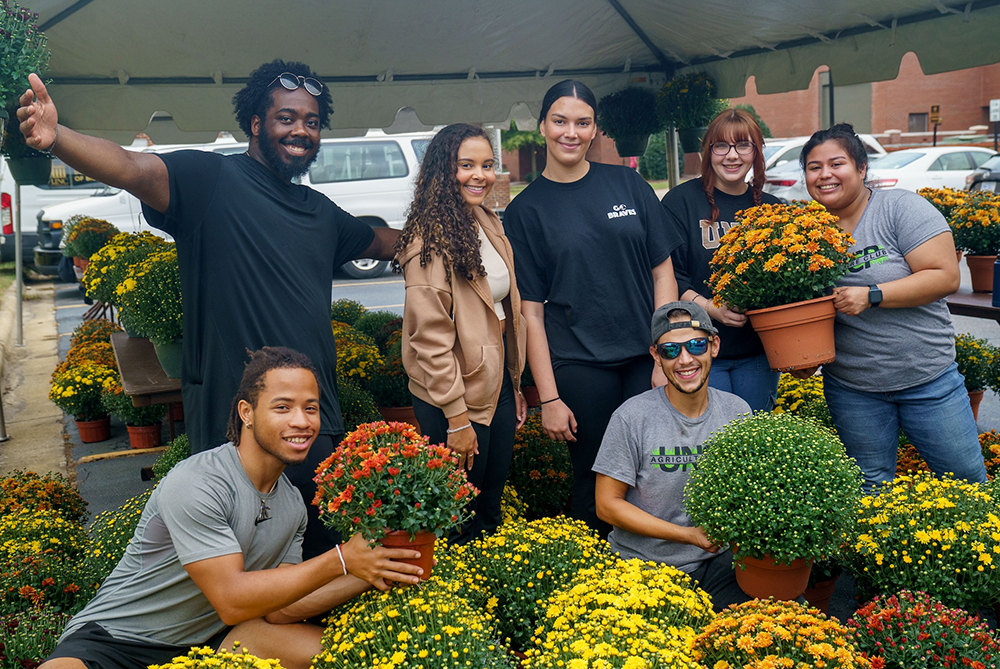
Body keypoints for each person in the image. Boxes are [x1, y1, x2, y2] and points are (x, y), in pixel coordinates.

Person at [17, 60, 399, 557]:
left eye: (311, 121)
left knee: (323, 560)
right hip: (233, 430)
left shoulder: (319, 212)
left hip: (313, 425)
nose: (300, 131)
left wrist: (457, 225)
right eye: (286, 118)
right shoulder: (209, 179)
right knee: (243, 570)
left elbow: (388, 243)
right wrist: (57, 138)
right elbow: (132, 166)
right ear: (257, 124)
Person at [42, 347, 423, 669]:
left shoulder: (291, 504)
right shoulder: (198, 482)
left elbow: (281, 609)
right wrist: (341, 559)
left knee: (346, 656)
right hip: (115, 642)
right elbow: (232, 598)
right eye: (283, 406)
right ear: (246, 412)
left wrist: (372, 567)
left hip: (214, 641)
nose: (301, 421)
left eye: (311, 408)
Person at [503, 79, 679, 538]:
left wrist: (665, 353)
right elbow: (531, 314)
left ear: (595, 129)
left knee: (656, 470)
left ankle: (661, 570)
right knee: (597, 476)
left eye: (582, 123)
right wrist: (551, 399)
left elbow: (664, 274)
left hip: (645, 357)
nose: (571, 132)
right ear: (542, 126)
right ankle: (599, 581)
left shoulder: (627, 182)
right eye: (560, 121)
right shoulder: (527, 211)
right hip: (580, 364)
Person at [796, 123, 987, 491]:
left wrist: (872, 294)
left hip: (927, 379)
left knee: (965, 481)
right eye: (814, 167)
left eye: (837, 164)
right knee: (870, 487)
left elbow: (944, 276)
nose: (825, 175)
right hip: (853, 388)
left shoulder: (899, 207)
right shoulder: (806, 231)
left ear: (862, 167)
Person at [395, 124, 527, 544]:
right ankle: (456, 596)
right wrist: (456, 418)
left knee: (490, 502)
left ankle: (486, 592)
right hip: (452, 395)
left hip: (495, 385)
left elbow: (503, 309)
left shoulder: (485, 220)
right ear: (441, 170)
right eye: (466, 165)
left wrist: (515, 381)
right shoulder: (427, 242)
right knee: (458, 512)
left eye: (487, 166)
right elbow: (430, 341)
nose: (480, 175)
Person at [593, 302, 750, 611]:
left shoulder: (737, 411)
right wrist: (688, 536)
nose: (686, 359)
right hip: (645, 566)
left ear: (714, 346)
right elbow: (606, 505)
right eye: (671, 351)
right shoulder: (632, 417)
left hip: (718, 562)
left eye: (696, 345)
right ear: (656, 356)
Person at [660, 108, 782, 411]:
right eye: (722, 146)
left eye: (743, 146)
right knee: (706, 442)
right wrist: (710, 309)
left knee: (752, 438)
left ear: (756, 153)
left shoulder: (772, 209)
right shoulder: (681, 202)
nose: (732, 156)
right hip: (697, 349)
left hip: (757, 352)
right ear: (708, 150)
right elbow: (671, 275)